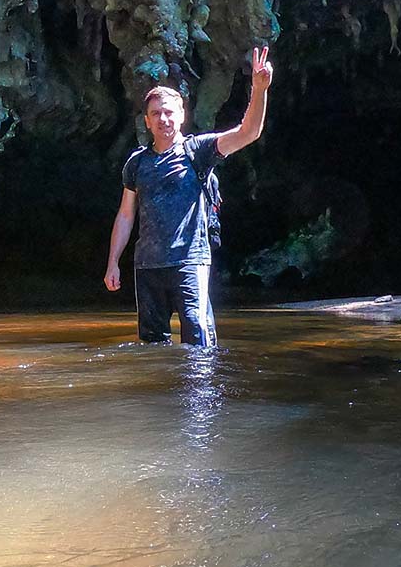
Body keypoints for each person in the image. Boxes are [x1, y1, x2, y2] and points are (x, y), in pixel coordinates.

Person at [103, 46, 274, 346]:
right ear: (146, 121)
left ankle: (199, 393)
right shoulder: (137, 163)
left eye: (169, 113)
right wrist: (113, 262)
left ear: (181, 116)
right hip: (148, 266)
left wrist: (259, 89)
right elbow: (126, 215)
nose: (163, 119)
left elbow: (248, 133)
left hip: (189, 262)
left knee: (198, 339)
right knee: (152, 346)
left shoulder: (199, 152)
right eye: (155, 114)